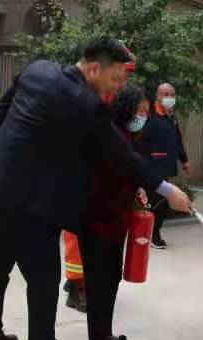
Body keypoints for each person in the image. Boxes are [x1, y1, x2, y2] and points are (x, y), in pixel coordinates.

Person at [0, 36, 191, 340]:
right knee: (44, 273)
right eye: (114, 78)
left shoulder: (38, 70)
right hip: (28, 196)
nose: (117, 87)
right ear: (93, 69)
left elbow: (4, 108)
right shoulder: (85, 102)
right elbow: (121, 153)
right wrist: (165, 188)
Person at [63, 47, 137, 313]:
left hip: (99, 175)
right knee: (76, 235)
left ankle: (85, 283)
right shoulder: (86, 94)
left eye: (126, 76)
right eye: (120, 76)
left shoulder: (111, 95)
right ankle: (76, 286)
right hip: (79, 173)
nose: (122, 82)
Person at [80, 85, 150, 340]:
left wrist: (137, 188)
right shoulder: (111, 135)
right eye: (140, 111)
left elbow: (129, 172)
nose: (143, 117)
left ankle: (105, 333)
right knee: (98, 281)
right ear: (126, 109)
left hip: (116, 221)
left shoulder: (128, 136)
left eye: (146, 112)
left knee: (110, 279)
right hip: (97, 220)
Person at [142, 82, 191, 249]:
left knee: (162, 202)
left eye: (172, 95)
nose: (170, 98)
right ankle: (152, 235)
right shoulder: (149, 116)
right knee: (156, 202)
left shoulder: (171, 118)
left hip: (165, 168)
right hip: (151, 167)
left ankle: (153, 233)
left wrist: (184, 159)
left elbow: (177, 141)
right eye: (166, 94)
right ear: (157, 96)